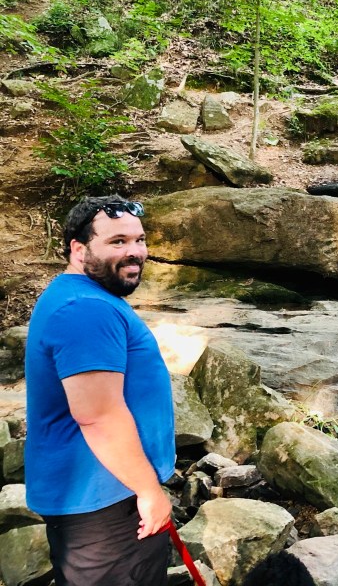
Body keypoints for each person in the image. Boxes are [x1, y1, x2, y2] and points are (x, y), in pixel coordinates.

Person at [25, 195, 176, 586]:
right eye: (117, 242)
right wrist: (149, 491)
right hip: (106, 504)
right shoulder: (84, 309)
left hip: (104, 495)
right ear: (79, 249)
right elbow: (98, 417)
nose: (135, 252)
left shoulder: (84, 297)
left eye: (139, 240)